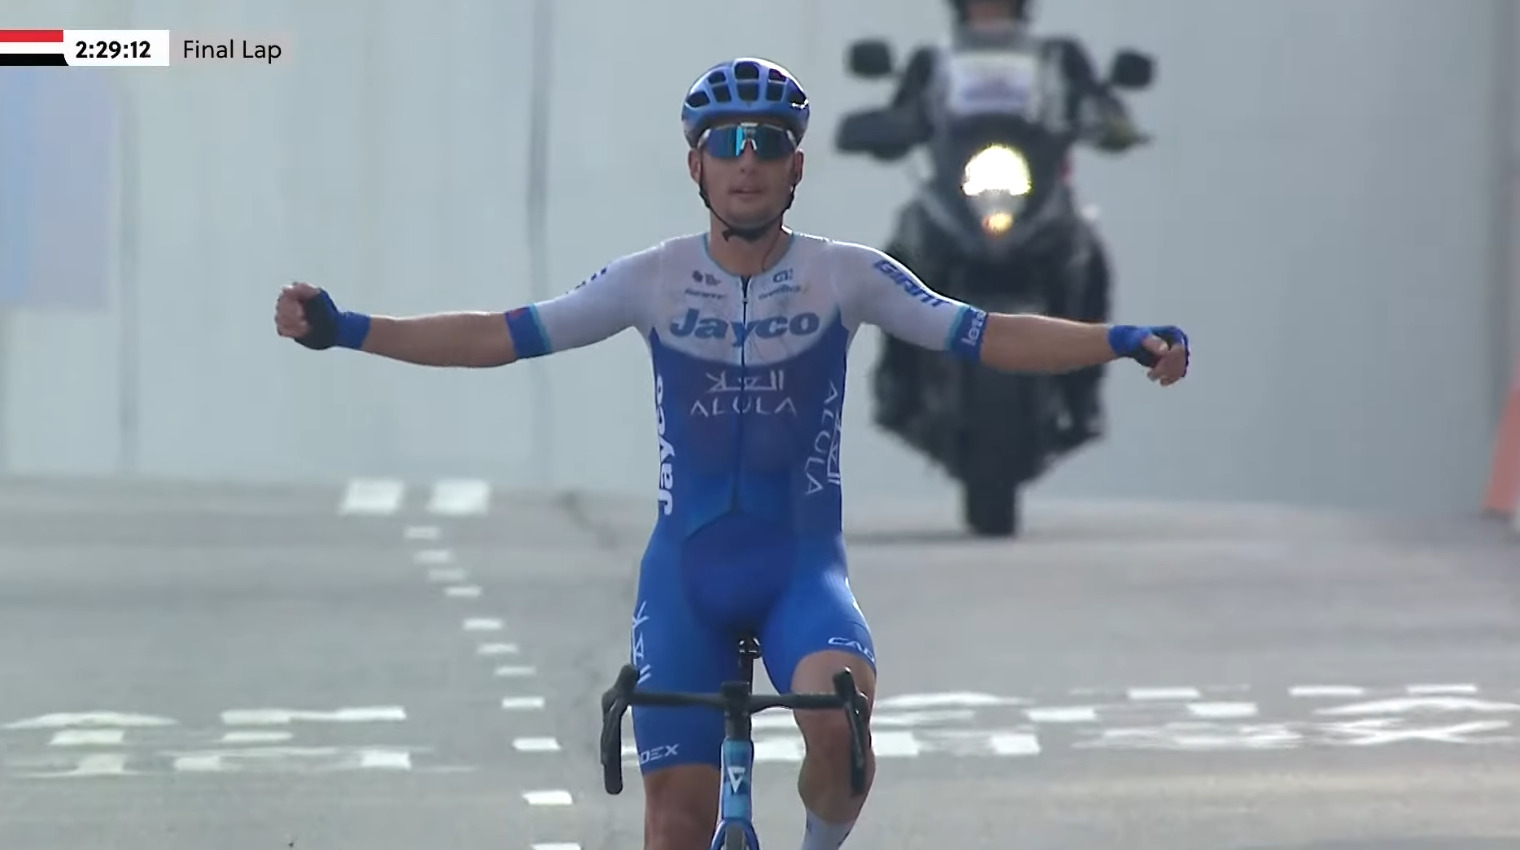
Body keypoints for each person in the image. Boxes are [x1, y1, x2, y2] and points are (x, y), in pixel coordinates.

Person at [273, 57, 1189, 850]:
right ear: (697, 164)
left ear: (797, 166)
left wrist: (1118, 340)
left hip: (800, 574)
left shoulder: (846, 275)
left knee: (844, 737)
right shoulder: (652, 279)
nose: (746, 160)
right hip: (688, 578)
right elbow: (497, 335)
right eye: (727, 143)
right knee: (676, 824)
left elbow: (988, 334)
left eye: (767, 143)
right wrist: (346, 329)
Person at [870, 0, 1146, 446]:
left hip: (1037, 197)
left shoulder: (1058, 57)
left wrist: (1112, 122)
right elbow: (900, 114)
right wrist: (883, 130)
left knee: (1089, 259)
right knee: (898, 260)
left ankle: (1083, 391)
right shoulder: (933, 62)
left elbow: (1102, 106)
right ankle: (898, 383)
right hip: (954, 197)